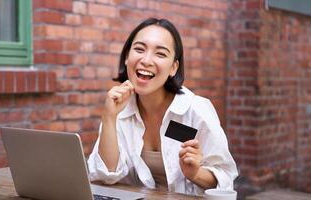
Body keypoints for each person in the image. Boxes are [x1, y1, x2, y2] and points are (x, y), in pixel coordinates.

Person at [87, 18, 238, 196]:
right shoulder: (119, 110)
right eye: (139, 49)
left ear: (173, 67)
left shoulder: (196, 109)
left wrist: (195, 173)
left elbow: (226, 178)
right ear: (127, 57)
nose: (146, 60)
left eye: (160, 53)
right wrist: (109, 118)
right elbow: (106, 176)